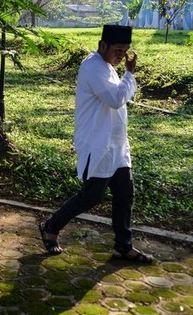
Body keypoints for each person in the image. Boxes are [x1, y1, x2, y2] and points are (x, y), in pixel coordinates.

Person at [38, 25, 153, 263]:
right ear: (102, 45)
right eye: (118, 50)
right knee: (92, 196)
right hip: (98, 143)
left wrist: (125, 76)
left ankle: (123, 246)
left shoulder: (108, 67)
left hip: (117, 145)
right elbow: (115, 99)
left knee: (125, 193)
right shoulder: (93, 67)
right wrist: (130, 74)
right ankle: (51, 226)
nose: (121, 56)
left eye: (125, 51)